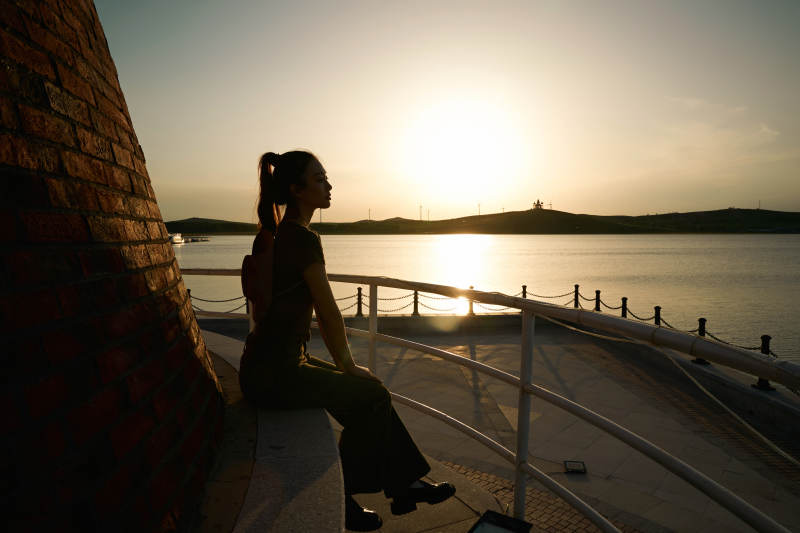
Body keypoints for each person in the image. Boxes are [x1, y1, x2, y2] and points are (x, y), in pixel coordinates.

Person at [239, 150, 455, 531]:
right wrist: (347, 365)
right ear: (296, 189)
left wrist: (345, 369)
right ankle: (346, 492)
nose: (329, 185)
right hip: (277, 372)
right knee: (370, 394)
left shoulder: (279, 234)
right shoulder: (302, 238)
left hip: (267, 366)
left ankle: (405, 485)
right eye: (320, 179)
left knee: (372, 395)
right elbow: (328, 311)